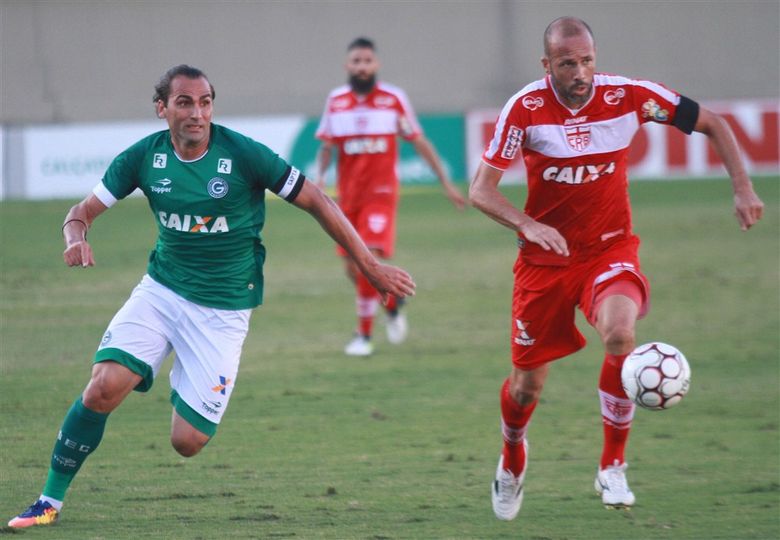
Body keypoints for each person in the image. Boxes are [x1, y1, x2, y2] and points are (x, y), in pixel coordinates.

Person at [8, 64, 416, 529]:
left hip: (223, 310)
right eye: (184, 102)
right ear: (162, 108)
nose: (196, 113)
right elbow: (80, 212)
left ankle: (183, 373)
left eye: (204, 102)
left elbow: (318, 201)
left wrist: (372, 266)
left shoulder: (244, 155)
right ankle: (48, 502)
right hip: (161, 292)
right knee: (102, 386)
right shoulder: (144, 157)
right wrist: (74, 236)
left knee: (187, 441)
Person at [469, 17, 764, 520]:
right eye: (568, 63)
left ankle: (612, 465)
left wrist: (742, 187)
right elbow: (482, 189)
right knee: (526, 388)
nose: (580, 71)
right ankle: (513, 457)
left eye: (587, 60)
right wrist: (527, 224)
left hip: (609, 250)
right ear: (548, 66)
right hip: (544, 262)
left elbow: (713, 122)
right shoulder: (526, 108)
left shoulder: (630, 96)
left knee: (621, 335)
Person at [315, 37, 466, 357]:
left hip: (380, 194)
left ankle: (363, 335)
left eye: (367, 61)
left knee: (368, 257)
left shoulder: (393, 99)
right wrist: (318, 179)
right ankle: (394, 302)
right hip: (348, 198)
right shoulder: (336, 101)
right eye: (356, 61)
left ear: (376, 65)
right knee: (352, 267)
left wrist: (445, 182)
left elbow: (418, 140)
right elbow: (327, 146)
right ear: (347, 65)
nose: (362, 66)